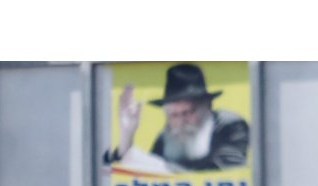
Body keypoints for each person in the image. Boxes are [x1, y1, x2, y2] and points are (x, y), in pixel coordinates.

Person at [105, 64, 249, 173]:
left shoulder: (232, 126)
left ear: (208, 106)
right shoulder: (166, 139)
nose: (181, 121)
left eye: (188, 112)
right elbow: (138, 176)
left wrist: (159, 167)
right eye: (173, 115)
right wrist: (126, 136)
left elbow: (222, 174)